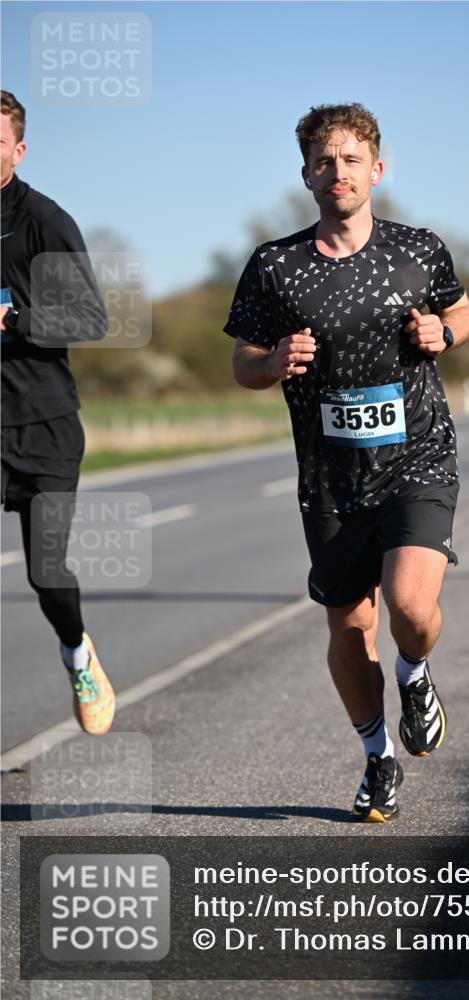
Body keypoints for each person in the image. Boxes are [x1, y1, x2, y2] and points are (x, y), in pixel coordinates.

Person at [224, 103, 469, 822]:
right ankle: (376, 760)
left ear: (377, 168)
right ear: (306, 174)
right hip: (331, 476)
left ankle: (416, 675)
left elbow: (462, 312)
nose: (338, 172)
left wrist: (442, 332)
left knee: (409, 606)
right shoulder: (276, 266)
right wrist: (270, 362)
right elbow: (241, 362)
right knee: (347, 627)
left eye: (351, 158)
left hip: (417, 455)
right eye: (324, 161)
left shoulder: (417, 250)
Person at [1, 90, 115, 734]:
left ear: (19, 149)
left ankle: (77, 653)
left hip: (42, 420)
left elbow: (89, 317)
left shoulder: (44, 221)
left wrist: (15, 317)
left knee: (47, 571)